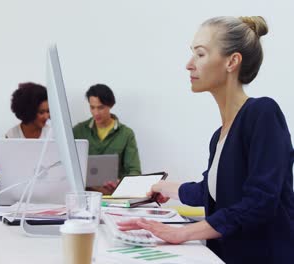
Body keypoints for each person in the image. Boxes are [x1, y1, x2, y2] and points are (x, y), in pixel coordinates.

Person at [117, 16, 294, 264]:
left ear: (232, 61)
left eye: (200, 54)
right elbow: (211, 191)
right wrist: (163, 187)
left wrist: (181, 233)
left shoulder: (262, 113)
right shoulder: (219, 136)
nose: (189, 65)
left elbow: (260, 202)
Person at [73, 84, 141, 192]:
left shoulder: (126, 134)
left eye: (100, 107)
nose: (96, 113)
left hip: (114, 195)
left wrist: (120, 183)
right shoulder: (78, 131)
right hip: (85, 194)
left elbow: (135, 171)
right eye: (92, 107)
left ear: (110, 105)